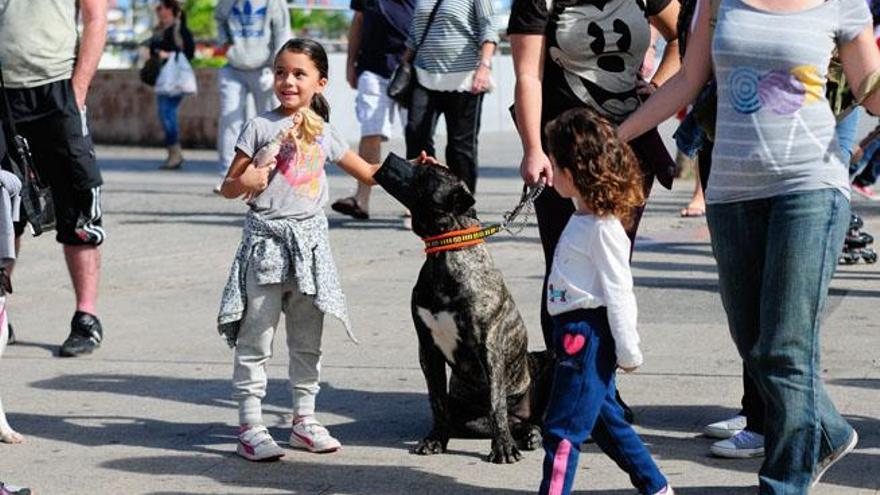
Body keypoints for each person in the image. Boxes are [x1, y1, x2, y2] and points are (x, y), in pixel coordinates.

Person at [617, 0, 880, 490]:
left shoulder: (843, 3)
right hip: (732, 193)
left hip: (810, 186)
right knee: (754, 344)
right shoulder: (718, 3)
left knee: (786, 346)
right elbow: (687, 81)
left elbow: (870, 89)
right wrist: (623, 133)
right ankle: (827, 428)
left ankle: (783, 481)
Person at [508, 0, 681, 420]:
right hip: (565, 154)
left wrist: (657, 86)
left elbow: (684, 37)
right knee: (565, 272)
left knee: (611, 270)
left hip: (626, 153)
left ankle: (602, 390)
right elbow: (528, 76)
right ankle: (567, 384)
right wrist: (533, 149)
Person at [216, 39, 381, 462]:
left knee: (308, 340)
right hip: (266, 248)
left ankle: (303, 420)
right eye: (281, 72)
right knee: (257, 338)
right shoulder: (258, 127)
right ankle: (250, 424)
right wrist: (247, 181)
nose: (287, 81)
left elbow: (368, 173)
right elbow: (229, 187)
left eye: (299, 74)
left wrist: (413, 169)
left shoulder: (323, 132)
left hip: (310, 250)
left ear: (320, 83)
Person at [538, 107, 673, 495]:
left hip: (586, 336)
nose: (550, 165)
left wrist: (629, 350)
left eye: (554, 158)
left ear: (573, 171)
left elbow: (619, 291)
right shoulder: (583, 216)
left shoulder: (603, 227)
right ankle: (657, 487)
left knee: (562, 431)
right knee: (606, 423)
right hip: (574, 332)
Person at [0, 0, 108, 357]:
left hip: (56, 87)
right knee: (4, 208)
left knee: (77, 204)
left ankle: (86, 317)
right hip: (6, 91)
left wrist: (77, 91)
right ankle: (0, 312)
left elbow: (96, 18)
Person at [402, 0, 498, 194]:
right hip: (424, 75)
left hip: (464, 81)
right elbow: (415, 34)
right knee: (416, 134)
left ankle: (461, 208)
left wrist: (484, 66)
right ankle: (426, 202)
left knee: (460, 148)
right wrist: (403, 67)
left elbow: (489, 26)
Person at [331, 0, 414, 220]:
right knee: (370, 130)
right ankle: (361, 200)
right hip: (372, 66)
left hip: (411, 66)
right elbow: (358, 21)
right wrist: (350, 62)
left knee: (416, 134)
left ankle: (415, 202)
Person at [214, 0, 291, 192]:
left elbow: (282, 32)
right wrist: (226, 45)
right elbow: (220, 18)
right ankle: (228, 176)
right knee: (229, 120)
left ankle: (270, 174)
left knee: (269, 122)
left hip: (264, 68)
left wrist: (278, 69)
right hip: (233, 68)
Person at [149, 0, 195, 170]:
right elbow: (152, 50)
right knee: (165, 115)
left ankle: (175, 154)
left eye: (161, 8)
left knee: (167, 114)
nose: (158, 11)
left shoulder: (179, 28)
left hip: (175, 79)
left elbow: (189, 52)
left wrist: (168, 55)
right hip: (163, 79)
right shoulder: (159, 29)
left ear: (169, 9)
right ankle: (173, 153)